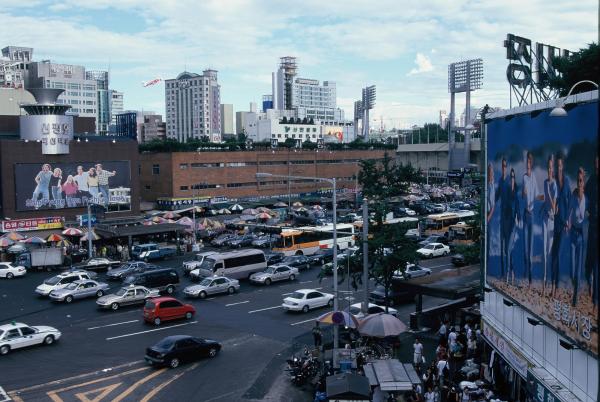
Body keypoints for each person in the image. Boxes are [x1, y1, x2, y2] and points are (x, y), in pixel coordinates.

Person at [550, 154, 571, 299]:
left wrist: (568, 221)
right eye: (556, 166)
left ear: (563, 166)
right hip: (555, 222)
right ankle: (554, 285)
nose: (558, 168)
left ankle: (559, 286)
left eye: (560, 165)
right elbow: (550, 198)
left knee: (558, 255)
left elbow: (570, 203)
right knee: (554, 255)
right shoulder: (554, 182)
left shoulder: (567, 181)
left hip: (564, 224)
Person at [522, 151, 543, 285]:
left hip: (532, 214)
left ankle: (529, 276)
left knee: (530, 247)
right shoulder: (524, 177)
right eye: (527, 161)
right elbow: (523, 195)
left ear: (532, 163)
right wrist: (523, 194)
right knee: (525, 246)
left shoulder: (534, 177)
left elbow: (536, 195)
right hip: (525, 214)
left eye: (530, 161)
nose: (529, 163)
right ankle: (525, 272)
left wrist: (544, 197)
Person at [569, 167, 587, 307]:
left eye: (581, 180)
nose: (579, 182)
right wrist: (567, 224)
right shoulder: (574, 195)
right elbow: (570, 212)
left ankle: (575, 296)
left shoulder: (587, 198)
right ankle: (575, 284)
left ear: (584, 182)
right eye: (577, 180)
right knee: (572, 268)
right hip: (572, 233)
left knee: (578, 269)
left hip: (581, 235)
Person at [542, 155, 558, 296]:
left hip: (552, 220)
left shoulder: (553, 185)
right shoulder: (545, 182)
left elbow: (553, 206)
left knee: (549, 251)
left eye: (551, 167)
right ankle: (544, 282)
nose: (549, 170)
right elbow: (544, 200)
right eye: (548, 167)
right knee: (543, 251)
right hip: (544, 219)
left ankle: (550, 284)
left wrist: (548, 192)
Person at [585, 155, 598, 312]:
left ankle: (595, 302)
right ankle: (589, 281)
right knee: (588, 265)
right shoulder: (592, 180)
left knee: (595, 265)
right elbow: (583, 195)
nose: (597, 166)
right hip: (592, 226)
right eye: (595, 164)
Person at [506, 168, 521, 285]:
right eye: (510, 177)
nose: (511, 179)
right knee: (508, 251)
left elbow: (518, 211)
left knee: (508, 250)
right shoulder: (507, 194)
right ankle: (512, 274)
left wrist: (518, 219)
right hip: (506, 225)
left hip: (513, 226)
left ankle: (509, 275)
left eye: (513, 177)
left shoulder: (515, 195)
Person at [497, 158, 511, 280]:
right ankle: (503, 273)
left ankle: (509, 270)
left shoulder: (510, 181)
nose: (503, 167)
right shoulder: (500, 181)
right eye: (502, 165)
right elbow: (496, 196)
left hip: (509, 219)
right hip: (502, 217)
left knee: (508, 247)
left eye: (505, 165)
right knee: (502, 247)